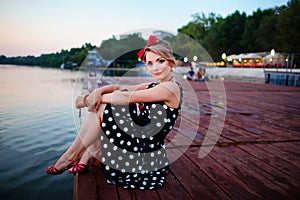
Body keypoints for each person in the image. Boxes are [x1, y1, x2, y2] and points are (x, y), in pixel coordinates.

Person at [45, 35, 183, 190]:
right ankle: (87, 151)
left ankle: (73, 155)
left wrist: (86, 101)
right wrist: (97, 93)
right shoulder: (154, 85)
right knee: (106, 104)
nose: (155, 67)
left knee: (107, 106)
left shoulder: (171, 88)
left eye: (160, 61)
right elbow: (119, 88)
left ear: (171, 62)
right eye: (150, 63)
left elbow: (124, 97)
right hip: (140, 142)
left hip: (143, 154)